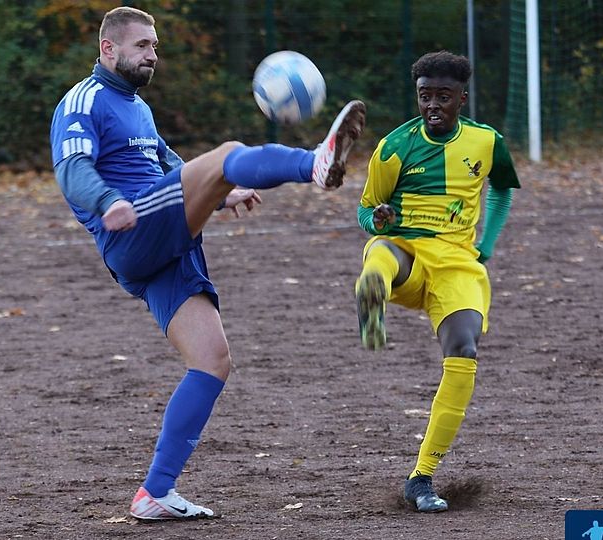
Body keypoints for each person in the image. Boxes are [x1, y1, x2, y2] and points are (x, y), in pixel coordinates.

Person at [49, 6, 366, 521]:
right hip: (131, 232)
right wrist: (107, 201)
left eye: (155, 45)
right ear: (108, 49)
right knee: (227, 152)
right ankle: (315, 163)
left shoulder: (137, 108)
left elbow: (170, 165)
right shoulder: (83, 101)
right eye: (142, 46)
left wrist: (223, 194)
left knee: (212, 360)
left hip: (161, 246)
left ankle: (155, 493)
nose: (154, 53)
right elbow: (71, 169)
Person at [352, 50, 521, 512]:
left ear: (461, 98)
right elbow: (367, 211)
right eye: (425, 96)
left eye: (443, 97)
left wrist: (486, 245)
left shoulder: (487, 142)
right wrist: (379, 218)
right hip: (405, 249)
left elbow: (503, 189)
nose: (432, 106)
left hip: (457, 264)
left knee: (465, 351)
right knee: (381, 255)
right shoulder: (393, 146)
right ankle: (371, 299)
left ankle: (421, 477)